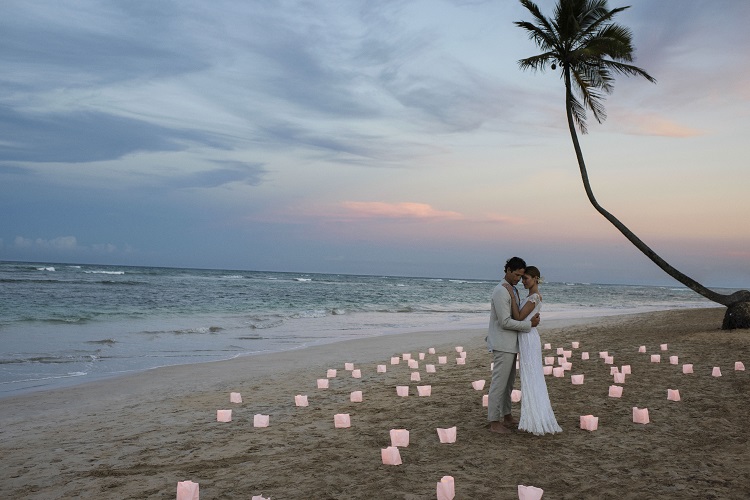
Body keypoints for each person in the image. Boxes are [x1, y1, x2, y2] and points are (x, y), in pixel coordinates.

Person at [503, 265, 562, 436]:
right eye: (522, 278)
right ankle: (532, 416)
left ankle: (536, 417)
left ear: (536, 278)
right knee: (530, 376)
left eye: (526, 278)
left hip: (528, 337)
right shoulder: (530, 296)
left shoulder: (534, 297)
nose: (523, 281)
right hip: (527, 335)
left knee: (531, 376)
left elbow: (519, 318)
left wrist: (512, 299)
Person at [486, 256, 540, 434]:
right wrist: (529, 325)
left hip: (512, 343)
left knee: (508, 384)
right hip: (503, 343)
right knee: (499, 384)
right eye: (516, 275)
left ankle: (507, 415)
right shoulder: (501, 291)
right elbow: (505, 322)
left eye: (521, 276)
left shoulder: (513, 290)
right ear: (508, 270)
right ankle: (494, 421)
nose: (518, 279)